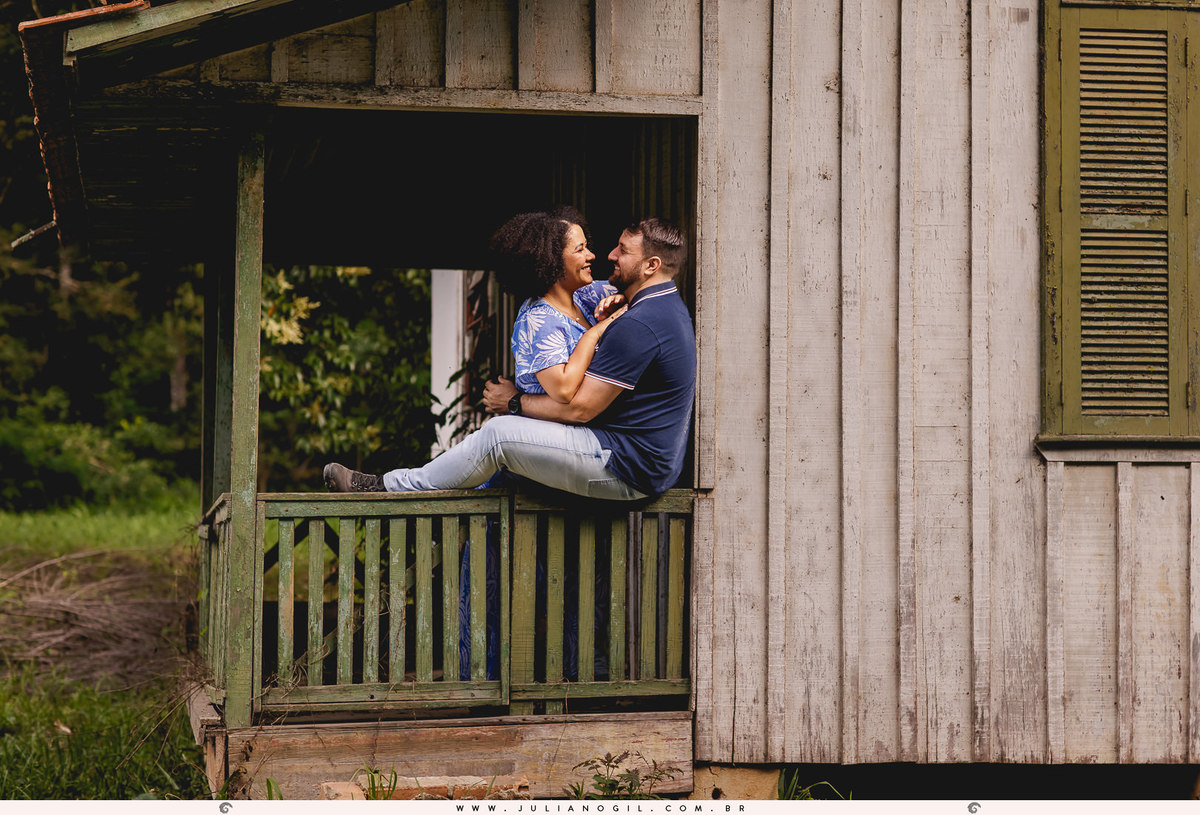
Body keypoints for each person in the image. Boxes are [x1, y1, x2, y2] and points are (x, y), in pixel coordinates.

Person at [323, 216, 695, 502]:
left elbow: (579, 408)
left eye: (623, 251)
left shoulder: (640, 324)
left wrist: (514, 402)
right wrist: (621, 302)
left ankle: (384, 487)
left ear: (651, 266)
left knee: (498, 436)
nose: (608, 256)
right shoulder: (658, 307)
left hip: (628, 468)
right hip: (634, 458)